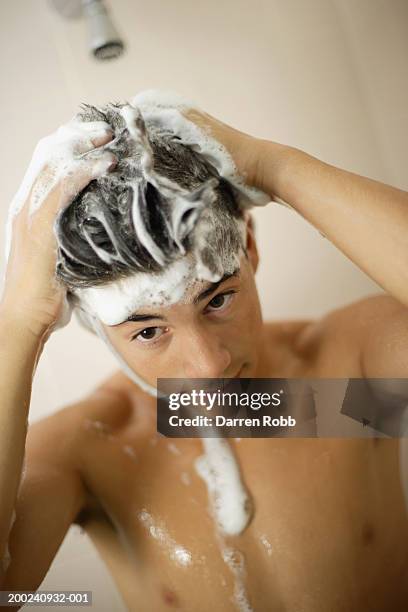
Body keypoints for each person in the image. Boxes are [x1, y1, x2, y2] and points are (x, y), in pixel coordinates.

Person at [1, 92, 408, 612]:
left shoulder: (350, 380)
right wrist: (19, 318)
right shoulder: (94, 452)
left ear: (250, 248)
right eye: (149, 331)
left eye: (218, 299)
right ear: (94, 324)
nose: (209, 365)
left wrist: (270, 165)